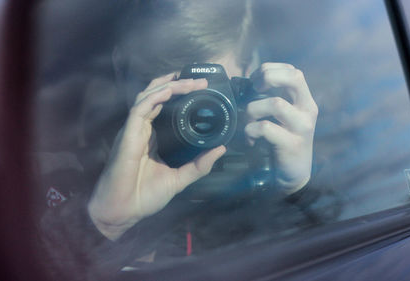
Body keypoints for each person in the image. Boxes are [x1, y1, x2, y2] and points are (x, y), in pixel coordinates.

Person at [39, 0, 321, 279]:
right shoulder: (48, 180)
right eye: (172, 92)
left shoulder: (258, 184)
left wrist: (296, 193)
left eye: (210, 95)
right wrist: (99, 223)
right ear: (121, 70)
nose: (191, 117)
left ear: (248, 78)